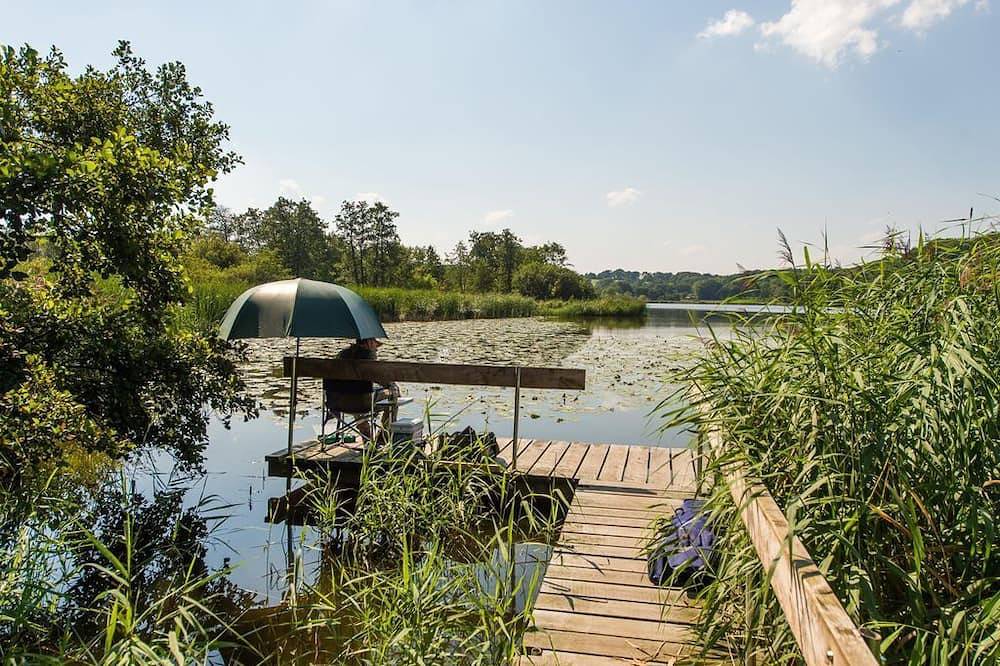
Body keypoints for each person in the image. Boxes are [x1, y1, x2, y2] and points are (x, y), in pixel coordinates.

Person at [323, 338, 397, 440]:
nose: (376, 349)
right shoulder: (368, 358)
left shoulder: (342, 354)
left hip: (336, 403)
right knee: (393, 394)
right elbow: (382, 380)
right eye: (375, 345)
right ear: (369, 343)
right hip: (362, 404)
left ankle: (365, 433)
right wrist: (391, 385)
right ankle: (384, 436)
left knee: (354, 393)